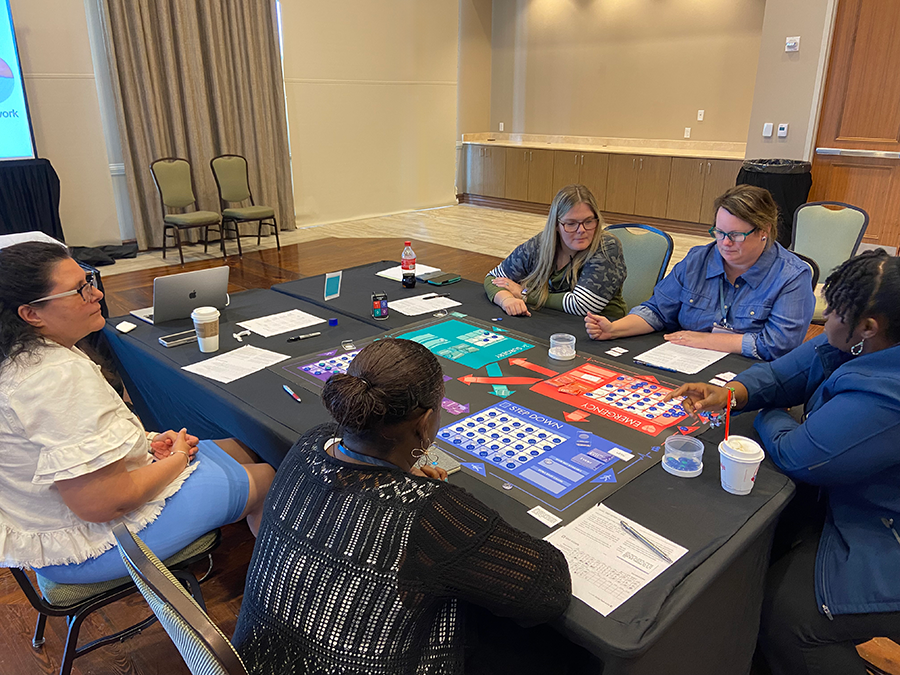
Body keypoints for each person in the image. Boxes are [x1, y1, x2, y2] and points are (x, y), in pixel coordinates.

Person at [233, 338, 573, 675]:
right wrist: (426, 497)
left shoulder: (311, 442)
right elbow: (548, 591)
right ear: (424, 423)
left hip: (252, 662)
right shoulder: (430, 514)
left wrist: (402, 472)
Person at [665, 250, 900, 675]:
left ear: (868, 327)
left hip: (886, 533)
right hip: (861, 507)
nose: (824, 321)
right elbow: (779, 375)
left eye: (834, 313)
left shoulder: (888, 390)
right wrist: (733, 392)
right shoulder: (857, 343)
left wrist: (767, 414)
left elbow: (800, 453)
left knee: (785, 617)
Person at [0, 242, 275, 584]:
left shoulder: (25, 356)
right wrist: (174, 459)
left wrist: (148, 441)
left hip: (65, 520)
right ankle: (276, 600)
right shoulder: (56, 376)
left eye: (88, 280)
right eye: (79, 290)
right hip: (91, 545)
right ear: (31, 314)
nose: (96, 293)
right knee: (268, 479)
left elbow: (76, 442)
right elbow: (102, 504)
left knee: (246, 448)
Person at [584, 185, 815, 360]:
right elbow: (657, 310)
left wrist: (707, 340)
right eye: (719, 232)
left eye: (735, 235)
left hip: (749, 375)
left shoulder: (791, 277)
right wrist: (614, 329)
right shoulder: (698, 260)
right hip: (686, 363)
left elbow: (777, 345)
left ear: (764, 231)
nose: (724, 243)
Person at [484, 184, 627, 318]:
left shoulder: (607, 247)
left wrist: (524, 294)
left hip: (600, 332)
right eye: (571, 224)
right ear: (556, 225)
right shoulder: (541, 244)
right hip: (550, 321)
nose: (581, 230)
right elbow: (493, 277)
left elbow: (582, 305)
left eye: (588, 221)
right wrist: (506, 299)